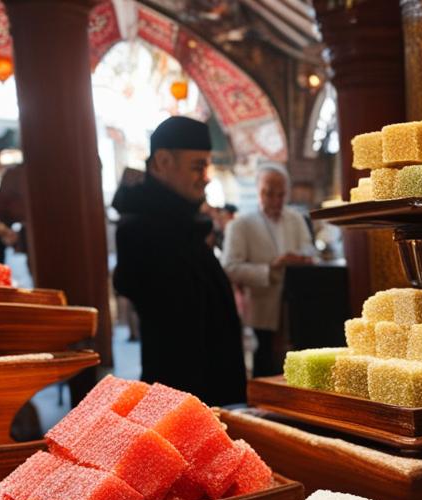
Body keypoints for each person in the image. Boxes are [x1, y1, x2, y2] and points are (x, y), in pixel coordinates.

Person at [112, 116, 247, 406]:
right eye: (197, 166)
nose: (206, 176)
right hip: (181, 398)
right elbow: (176, 330)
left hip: (210, 392)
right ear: (162, 162)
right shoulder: (142, 229)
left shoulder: (185, 223)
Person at [222, 163, 316, 377]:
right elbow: (229, 267)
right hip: (261, 306)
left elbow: (309, 249)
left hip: (296, 304)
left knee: (299, 362)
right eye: (269, 193)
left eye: (281, 194)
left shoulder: (296, 218)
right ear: (258, 191)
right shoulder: (240, 225)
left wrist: (301, 258)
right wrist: (268, 270)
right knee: (265, 364)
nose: (275, 200)